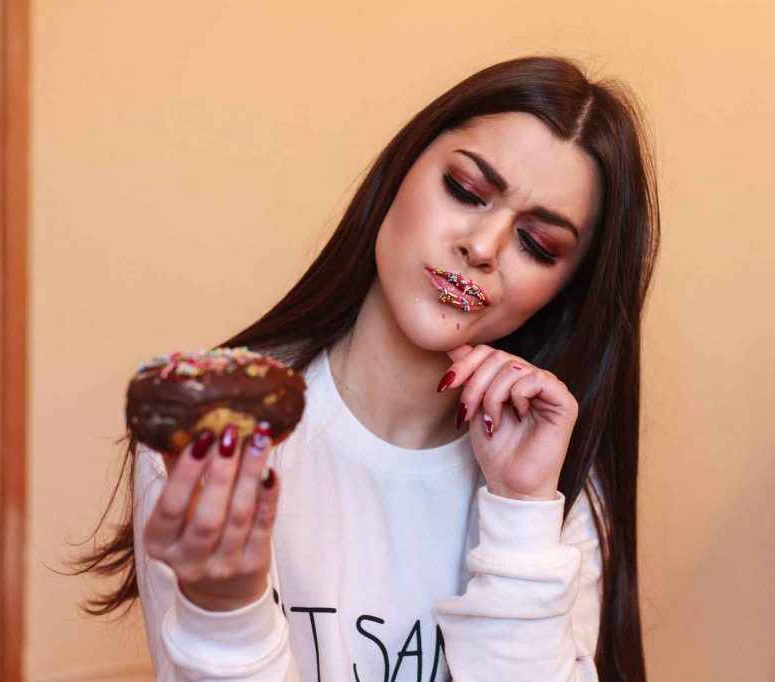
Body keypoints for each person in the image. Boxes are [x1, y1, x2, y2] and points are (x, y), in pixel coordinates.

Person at [70, 54, 660, 681]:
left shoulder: (557, 488)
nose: (482, 248)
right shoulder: (220, 435)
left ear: (564, 290)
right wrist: (225, 613)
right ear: (400, 171)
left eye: (537, 245)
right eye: (465, 191)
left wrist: (520, 513)